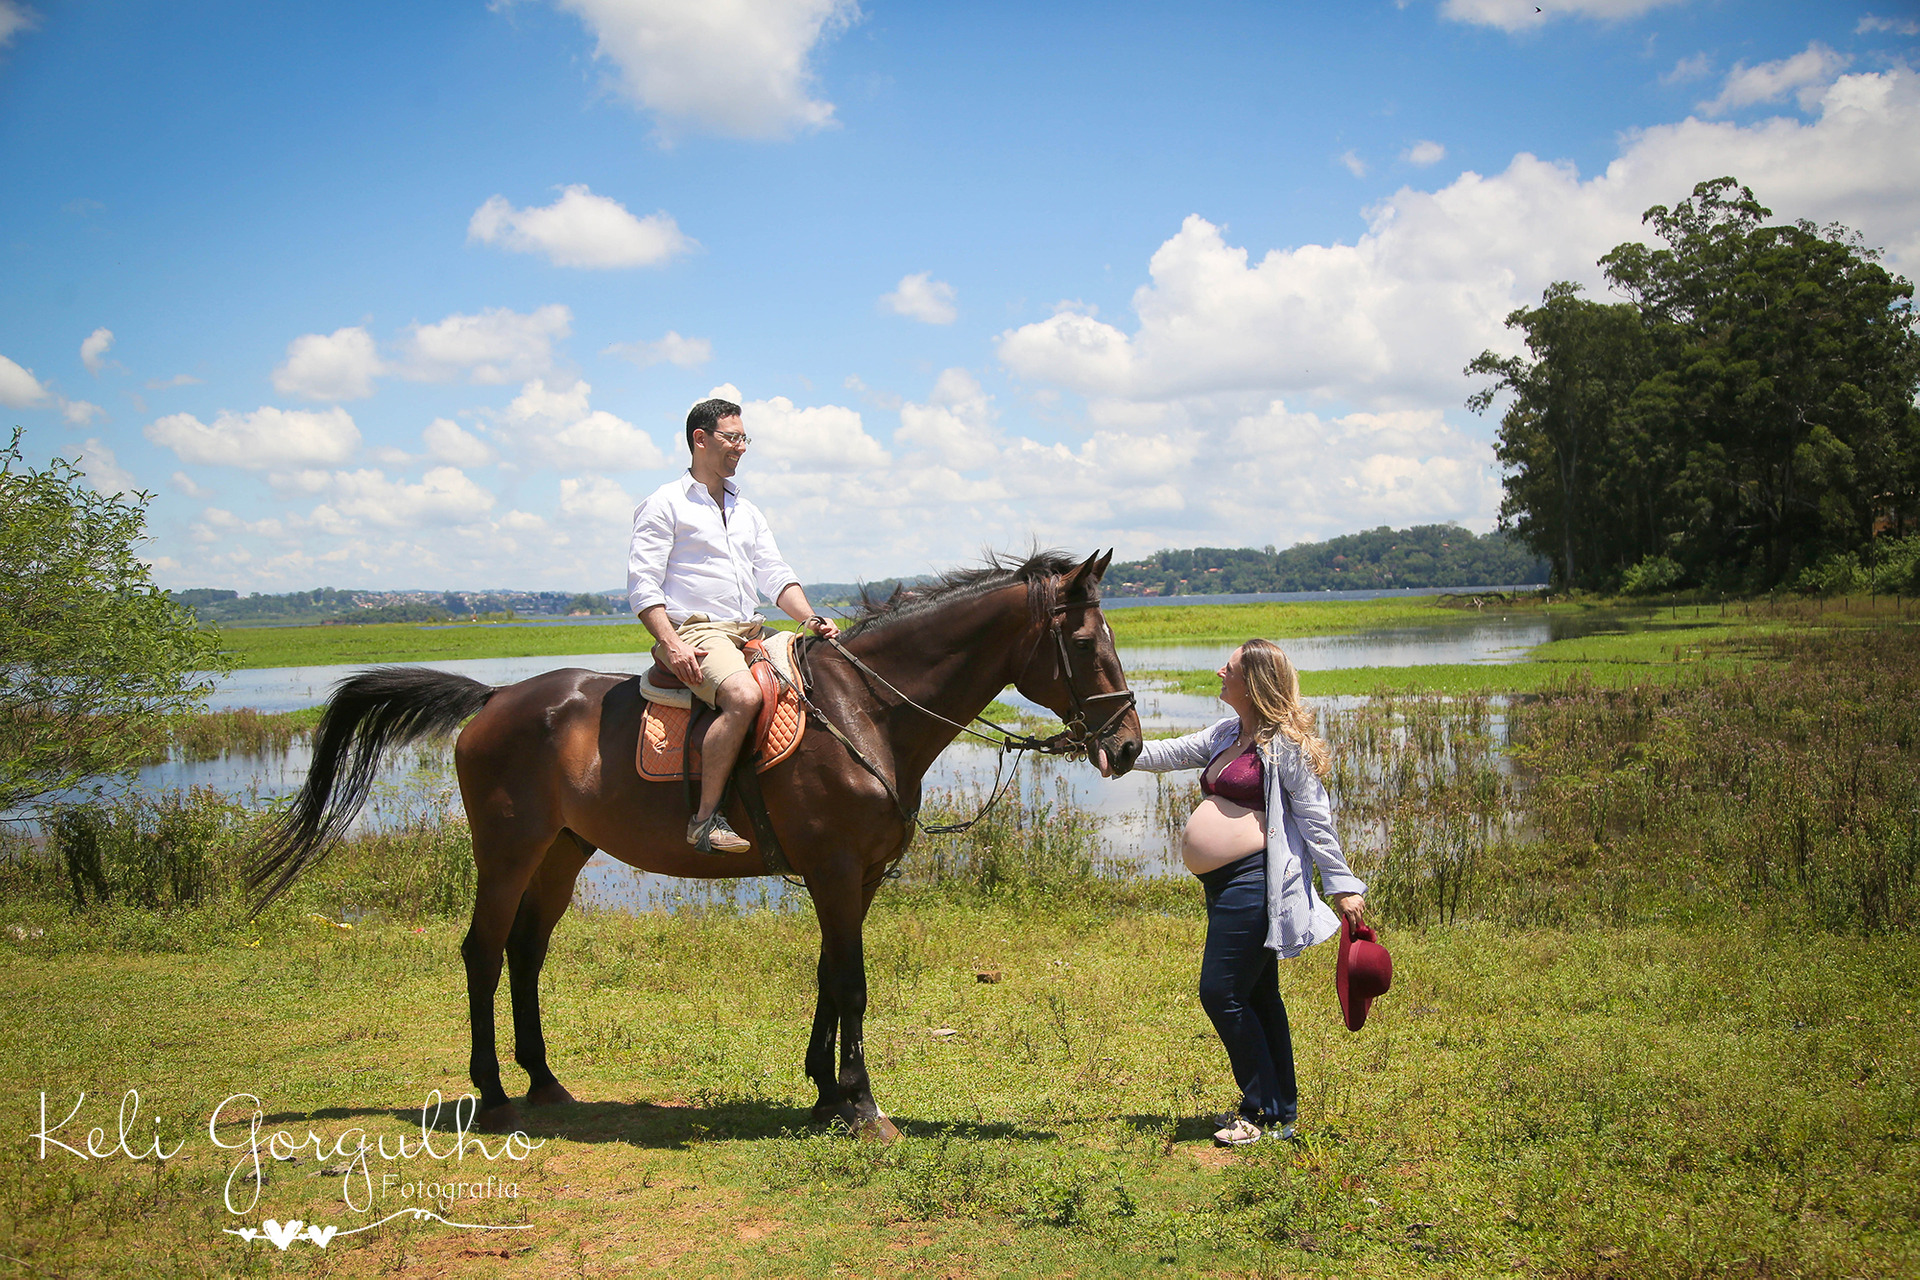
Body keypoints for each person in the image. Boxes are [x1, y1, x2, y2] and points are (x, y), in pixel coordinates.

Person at [1133, 638, 1367, 1145]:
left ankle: (1259, 1110)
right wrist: (1110, 750)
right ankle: (1280, 1111)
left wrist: (1342, 886)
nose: (1220, 672)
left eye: (1230, 668)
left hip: (1257, 882)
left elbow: (1316, 820)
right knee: (1258, 995)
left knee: (1221, 992)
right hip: (1223, 885)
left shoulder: (1284, 747)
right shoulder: (1227, 733)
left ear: (1254, 681)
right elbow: (1167, 752)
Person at [627, 397, 840, 853]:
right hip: (697, 631)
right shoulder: (664, 504)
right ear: (700, 439)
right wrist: (671, 643)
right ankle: (704, 820)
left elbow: (774, 574)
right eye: (732, 437)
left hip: (751, 629)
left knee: (823, 672)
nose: (741, 447)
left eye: (745, 438)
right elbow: (643, 585)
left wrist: (809, 618)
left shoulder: (747, 510)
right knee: (743, 696)